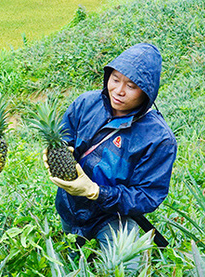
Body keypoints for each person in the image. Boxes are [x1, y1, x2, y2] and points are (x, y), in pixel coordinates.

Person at [45, 43, 177, 253]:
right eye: (115, 79)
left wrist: (96, 191)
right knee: (72, 261)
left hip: (115, 216)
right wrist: (60, 150)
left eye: (131, 86)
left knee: (122, 272)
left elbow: (148, 195)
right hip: (70, 204)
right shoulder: (87, 103)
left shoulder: (158, 138)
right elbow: (65, 133)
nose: (119, 91)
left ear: (147, 91)